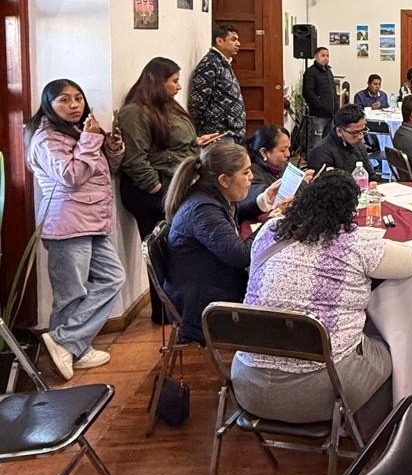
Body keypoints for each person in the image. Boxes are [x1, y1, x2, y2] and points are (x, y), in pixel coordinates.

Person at [231, 170, 412, 423]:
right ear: (349, 212)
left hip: (247, 384)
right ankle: (376, 429)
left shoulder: (269, 230)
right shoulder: (354, 243)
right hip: (320, 392)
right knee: (392, 343)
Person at [26, 79, 126, 381]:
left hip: (92, 221)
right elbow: (71, 176)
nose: (74, 105)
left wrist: (111, 147)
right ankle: (71, 349)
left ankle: (69, 342)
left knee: (113, 278)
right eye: (64, 100)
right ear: (49, 105)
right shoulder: (46, 138)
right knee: (71, 295)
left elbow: (105, 170)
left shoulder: (78, 132)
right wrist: (90, 140)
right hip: (67, 223)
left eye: (78, 98)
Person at [118, 57, 221, 323]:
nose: (178, 86)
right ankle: (164, 312)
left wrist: (196, 143)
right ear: (157, 82)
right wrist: (157, 188)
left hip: (175, 185)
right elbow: (135, 159)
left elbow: (168, 143)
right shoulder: (134, 112)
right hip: (153, 193)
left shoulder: (168, 107)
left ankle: (180, 307)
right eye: (174, 81)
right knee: (162, 251)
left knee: (178, 249)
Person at [163, 142, 274, 344]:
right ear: (224, 180)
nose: (251, 177)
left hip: (208, 286)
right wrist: (271, 224)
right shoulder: (203, 209)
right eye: (246, 172)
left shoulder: (208, 195)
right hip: (202, 307)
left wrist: (263, 201)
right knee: (277, 297)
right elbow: (242, 256)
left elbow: (231, 217)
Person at [188, 23, 245, 143]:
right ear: (219, 41)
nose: (238, 44)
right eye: (233, 40)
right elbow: (197, 103)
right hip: (217, 134)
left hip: (230, 133)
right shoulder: (210, 64)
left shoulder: (223, 62)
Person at [306, 103, 381, 181]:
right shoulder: (321, 152)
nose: (360, 137)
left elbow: (371, 175)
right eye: (355, 133)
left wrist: (373, 182)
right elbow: (324, 186)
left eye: (363, 131)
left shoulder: (358, 145)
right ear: (339, 131)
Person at [302, 46, 337, 154]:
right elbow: (307, 92)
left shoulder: (328, 71)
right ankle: (313, 164)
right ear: (316, 57)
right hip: (318, 115)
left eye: (327, 55)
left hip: (330, 115)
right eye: (323, 55)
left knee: (328, 143)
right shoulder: (311, 72)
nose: (326, 58)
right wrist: (321, 106)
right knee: (316, 144)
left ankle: (325, 162)